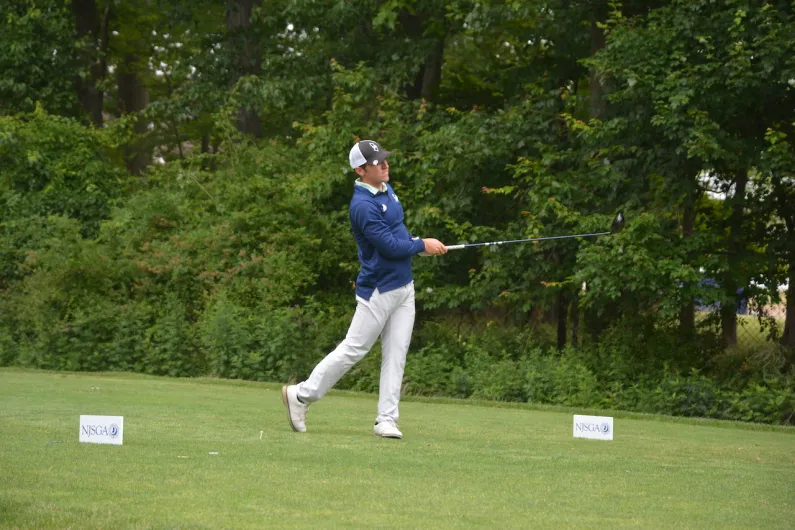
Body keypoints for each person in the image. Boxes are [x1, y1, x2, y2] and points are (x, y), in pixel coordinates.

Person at [281, 140, 447, 439]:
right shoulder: (362, 206)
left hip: (404, 287)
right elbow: (389, 246)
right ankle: (301, 395)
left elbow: (399, 235)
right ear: (360, 170)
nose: (384, 165)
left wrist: (420, 246)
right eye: (376, 162)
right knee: (353, 350)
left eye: (384, 159)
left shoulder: (386, 190)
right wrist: (422, 245)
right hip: (378, 290)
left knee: (396, 355)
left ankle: (386, 419)